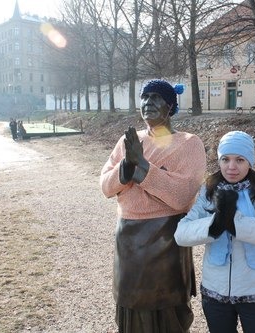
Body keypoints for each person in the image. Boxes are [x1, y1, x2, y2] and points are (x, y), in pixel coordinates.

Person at [100, 79, 207, 333]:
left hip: (166, 240)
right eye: (144, 97)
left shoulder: (189, 143)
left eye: (156, 97)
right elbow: (106, 186)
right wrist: (126, 169)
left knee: (166, 312)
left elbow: (182, 196)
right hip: (128, 240)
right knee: (132, 308)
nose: (148, 102)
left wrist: (144, 170)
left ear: (170, 106)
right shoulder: (128, 140)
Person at [174, 130, 255, 333]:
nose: (231, 167)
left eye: (239, 159)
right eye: (225, 159)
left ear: (250, 162)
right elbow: (181, 234)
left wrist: (235, 224)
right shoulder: (208, 194)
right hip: (215, 293)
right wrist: (216, 224)